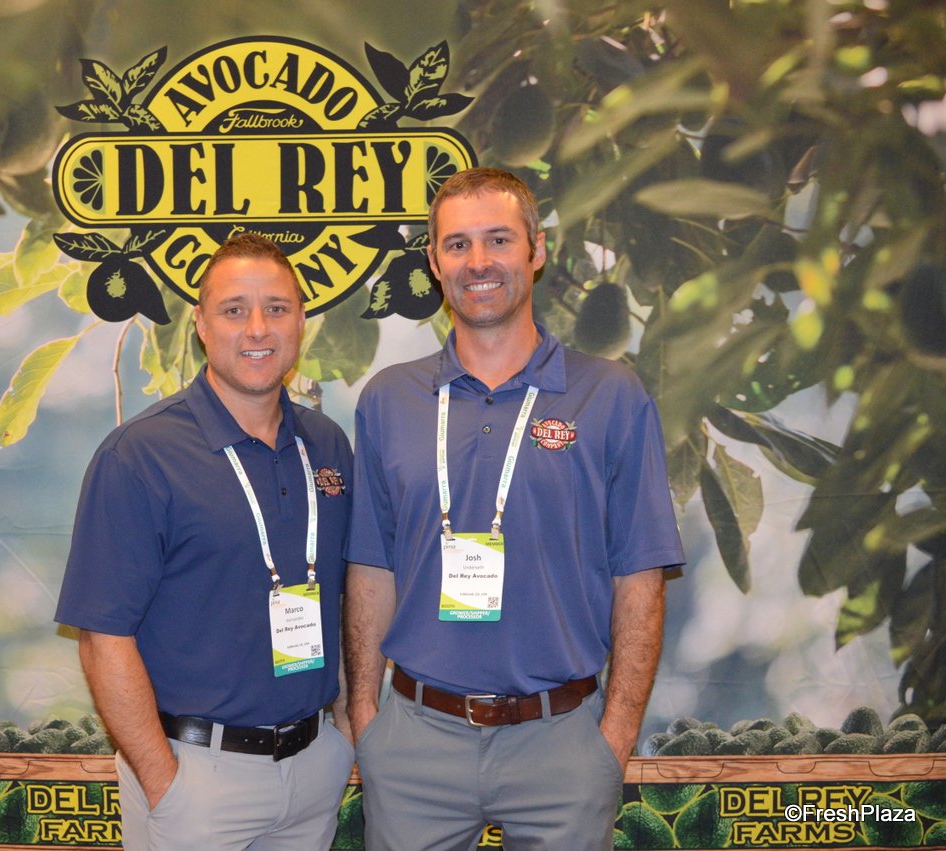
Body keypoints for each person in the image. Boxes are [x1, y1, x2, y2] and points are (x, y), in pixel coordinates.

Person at [345, 167, 686, 850]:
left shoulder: (611, 395)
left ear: (537, 250)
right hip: (415, 742)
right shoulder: (388, 399)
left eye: (498, 239)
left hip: (562, 743)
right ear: (435, 262)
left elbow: (641, 576)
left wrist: (613, 739)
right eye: (458, 244)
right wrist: (364, 717)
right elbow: (371, 568)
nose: (479, 261)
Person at [55, 233, 355, 851]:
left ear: (301, 321)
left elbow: (348, 596)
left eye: (276, 308)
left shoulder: (327, 445)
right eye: (234, 309)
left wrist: (345, 732)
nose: (257, 328)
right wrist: (165, 782)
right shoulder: (140, 455)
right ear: (200, 323)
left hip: (314, 767)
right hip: (196, 778)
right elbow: (102, 639)